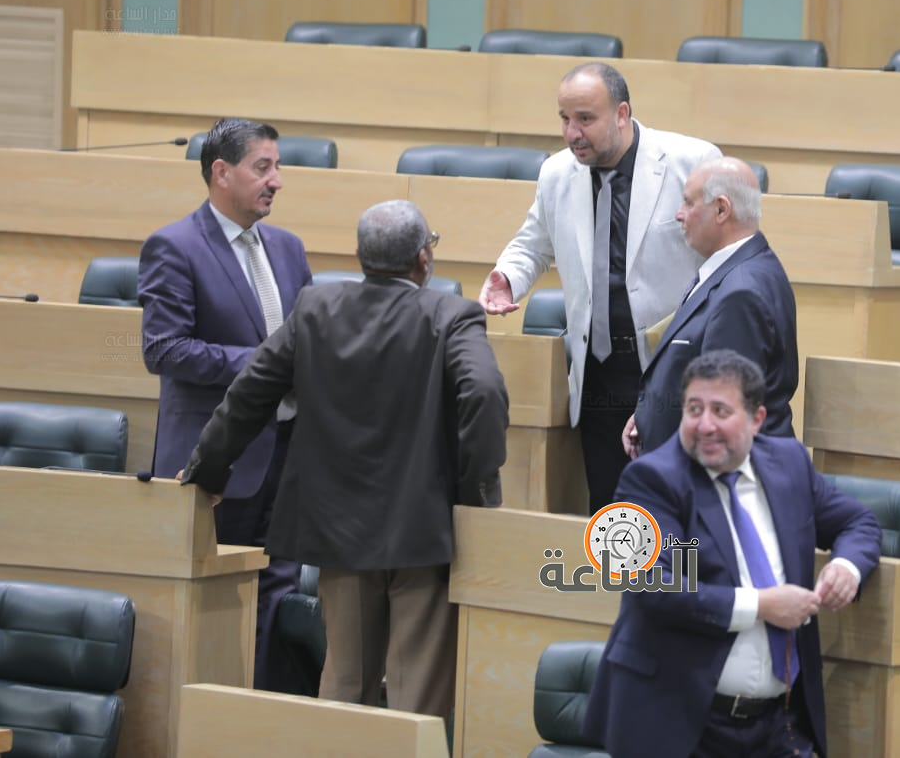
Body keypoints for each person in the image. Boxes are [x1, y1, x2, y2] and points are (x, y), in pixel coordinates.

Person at [179, 199, 509, 716]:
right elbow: (484, 393)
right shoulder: (451, 314)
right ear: (423, 258)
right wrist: (476, 493)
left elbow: (250, 393)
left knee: (345, 685)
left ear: (360, 256)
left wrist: (207, 471)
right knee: (415, 694)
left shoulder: (316, 308)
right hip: (424, 533)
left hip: (338, 529)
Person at [584, 350, 881, 757]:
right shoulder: (651, 480)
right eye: (694, 409)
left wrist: (846, 567)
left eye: (720, 411)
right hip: (682, 726)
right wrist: (761, 605)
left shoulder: (789, 463)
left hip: (780, 725)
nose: (705, 425)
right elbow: (652, 585)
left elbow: (858, 522)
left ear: (756, 419)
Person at [479, 61, 721, 513]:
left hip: (671, 368)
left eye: (585, 119)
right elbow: (533, 244)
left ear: (622, 114)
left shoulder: (692, 163)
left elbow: (723, 260)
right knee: (611, 512)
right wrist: (508, 276)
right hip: (597, 372)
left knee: (676, 507)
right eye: (564, 119)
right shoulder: (557, 173)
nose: (572, 133)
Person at [138, 117, 312, 690]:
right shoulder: (175, 246)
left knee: (278, 595)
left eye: (277, 167)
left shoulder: (288, 248)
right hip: (218, 459)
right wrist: (267, 364)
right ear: (221, 172)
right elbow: (164, 349)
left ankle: (262, 713)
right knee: (216, 603)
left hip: (287, 454)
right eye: (263, 167)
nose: (277, 180)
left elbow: (308, 342)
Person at [623, 156, 797, 458]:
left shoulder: (741, 292)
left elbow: (721, 417)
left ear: (721, 209)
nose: (679, 214)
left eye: (688, 203)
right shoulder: (734, 271)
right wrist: (647, 415)